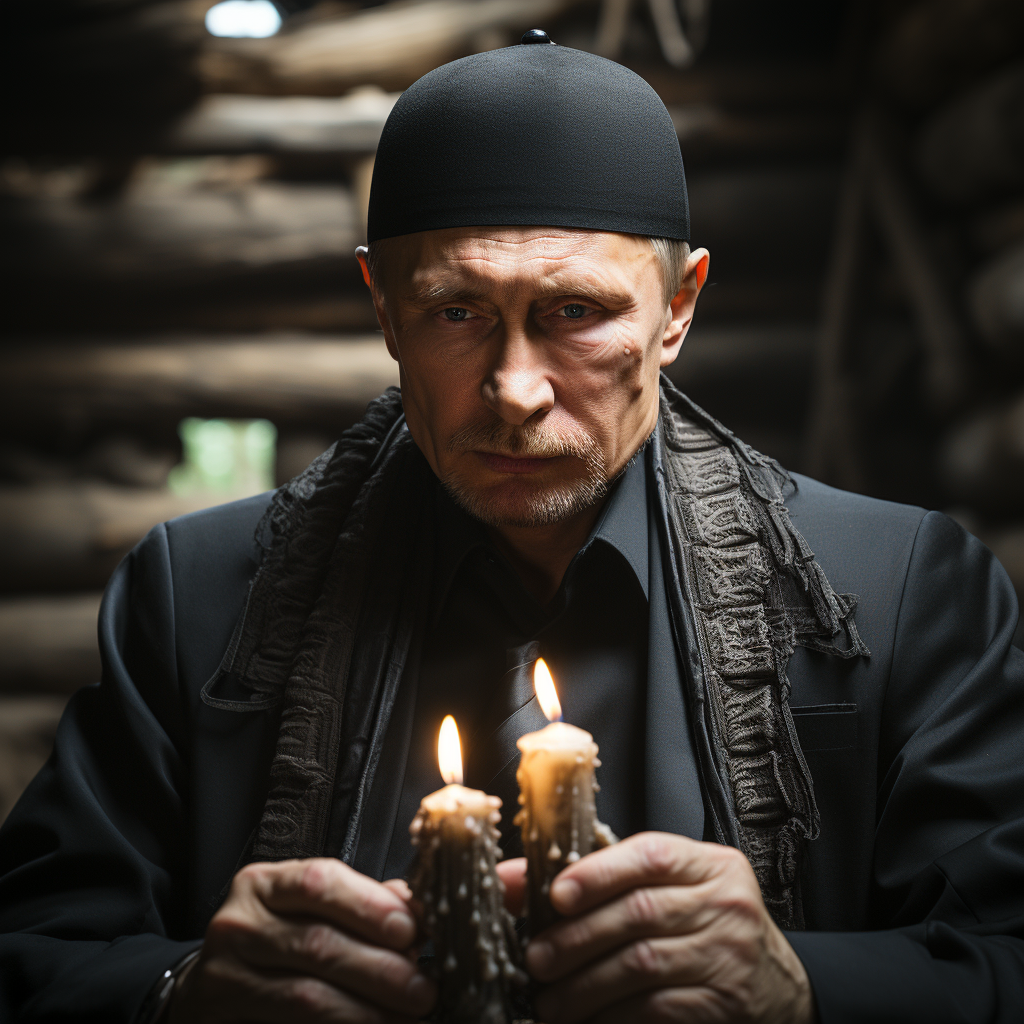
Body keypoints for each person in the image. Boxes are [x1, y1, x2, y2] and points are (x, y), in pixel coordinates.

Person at [2, 32, 1024, 1024]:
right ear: (385, 311)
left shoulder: (897, 591)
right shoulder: (195, 599)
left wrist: (803, 990)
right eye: (456, 312)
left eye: (575, 311)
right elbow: (35, 953)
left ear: (678, 307)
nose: (514, 389)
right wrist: (184, 994)